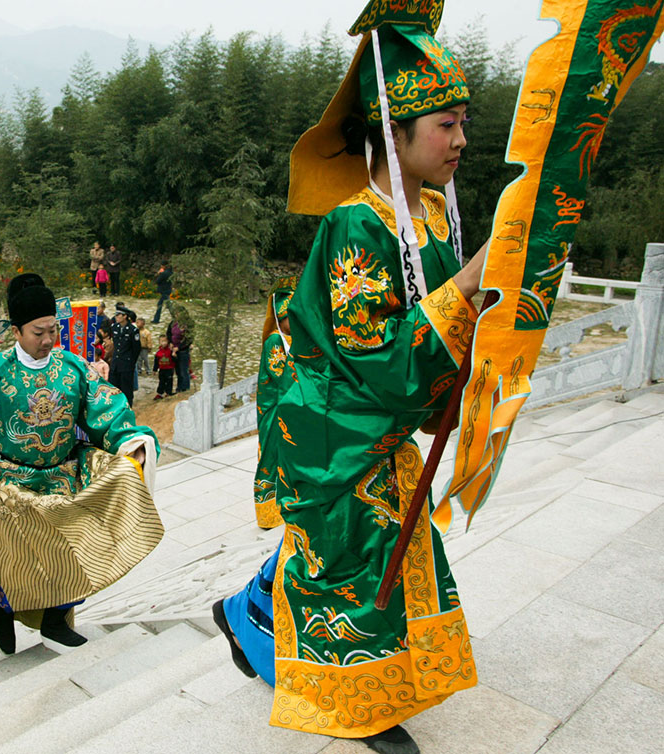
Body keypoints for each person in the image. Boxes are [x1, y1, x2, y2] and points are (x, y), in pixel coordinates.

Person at [214, 13, 485, 753]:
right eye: (445, 124)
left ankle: (244, 608)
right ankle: (359, 703)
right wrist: (470, 283)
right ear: (394, 135)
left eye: (464, 123)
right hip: (331, 416)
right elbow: (378, 360)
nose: (460, 140)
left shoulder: (426, 214)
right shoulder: (354, 228)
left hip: (378, 420)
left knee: (364, 546)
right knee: (353, 557)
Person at [0, 273, 162, 662]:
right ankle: (3, 611)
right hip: (11, 486)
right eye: (38, 332)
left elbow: (106, 411)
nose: (47, 340)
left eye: (52, 330)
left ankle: (56, 617)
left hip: (63, 477)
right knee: (16, 565)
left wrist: (130, 443)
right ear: (17, 331)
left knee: (76, 554)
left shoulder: (71, 367)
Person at [252, 280, 295, 530]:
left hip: (288, 408)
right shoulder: (274, 342)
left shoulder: (292, 340)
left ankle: (284, 503)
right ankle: (266, 512)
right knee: (270, 456)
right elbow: (282, 376)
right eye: (290, 317)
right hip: (274, 410)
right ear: (280, 318)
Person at [108, 308, 140, 406]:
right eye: (116, 315)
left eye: (119, 315)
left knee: (126, 389)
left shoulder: (132, 330)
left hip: (126, 363)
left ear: (125, 316)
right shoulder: (114, 327)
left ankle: (127, 408)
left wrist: (131, 363)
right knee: (114, 388)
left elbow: (136, 349)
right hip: (116, 363)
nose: (116, 317)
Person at [166, 301, 194, 392]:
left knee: (183, 370)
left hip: (183, 350)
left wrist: (179, 347)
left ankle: (185, 388)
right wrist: (170, 342)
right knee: (177, 371)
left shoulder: (188, 324)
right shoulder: (173, 322)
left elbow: (188, 339)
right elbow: (169, 333)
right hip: (173, 348)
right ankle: (179, 387)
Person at [152, 335, 175, 399]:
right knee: (161, 381)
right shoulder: (158, 352)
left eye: (165, 341)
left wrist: (174, 355)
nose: (164, 343)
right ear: (159, 342)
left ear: (168, 341)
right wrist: (155, 370)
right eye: (162, 341)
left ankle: (168, 392)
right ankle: (160, 393)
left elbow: (175, 360)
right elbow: (156, 362)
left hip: (169, 368)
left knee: (169, 381)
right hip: (162, 369)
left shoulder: (170, 350)